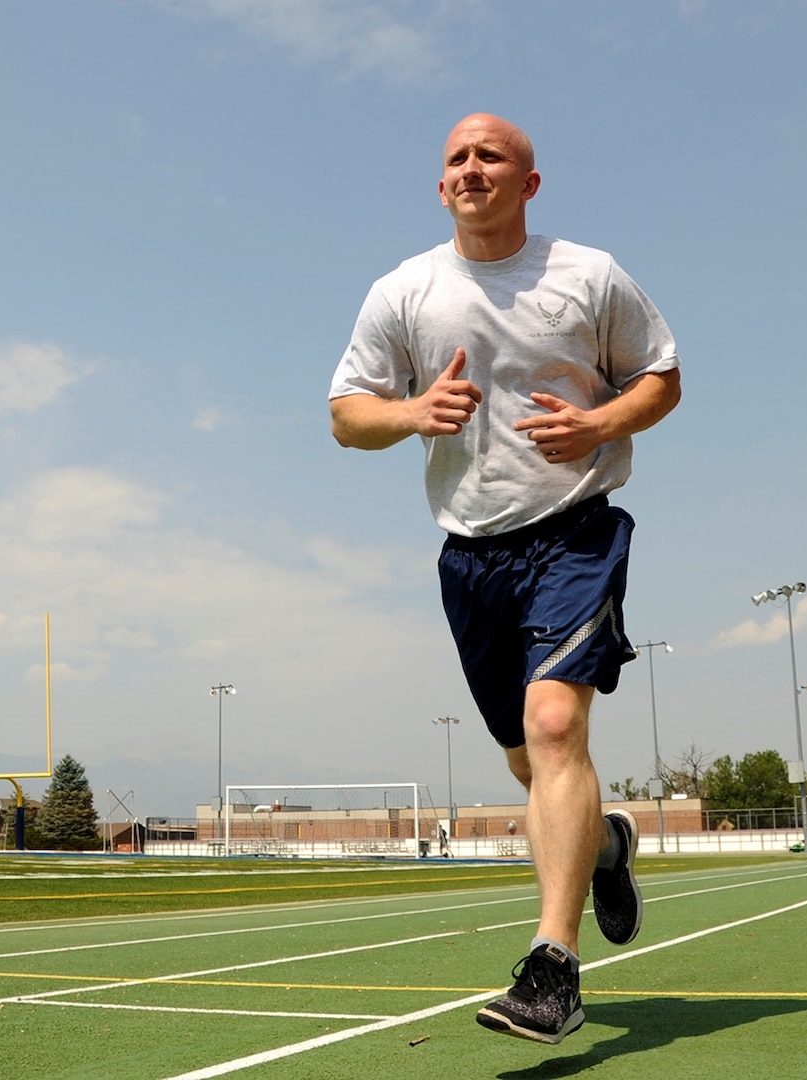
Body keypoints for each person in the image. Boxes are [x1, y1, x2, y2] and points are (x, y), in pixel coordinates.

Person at [328, 113, 681, 1045]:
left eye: (492, 155)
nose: (471, 166)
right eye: (456, 158)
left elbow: (662, 377)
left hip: (574, 533)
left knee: (556, 723)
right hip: (470, 555)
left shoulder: (588, 275)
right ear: (439, 187)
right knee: (527, 761)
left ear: (529, 183)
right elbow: (344, 416)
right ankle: (602, 843)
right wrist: (410, 411)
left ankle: (553, 966)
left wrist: (601, 426)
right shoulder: (403, 290)